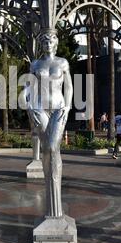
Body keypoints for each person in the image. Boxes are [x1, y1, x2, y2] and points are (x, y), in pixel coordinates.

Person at [26, 29, 73, 217]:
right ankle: (51, 195)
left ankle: (55, 195)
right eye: (44, 42)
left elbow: (68, 86)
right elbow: (29, 87)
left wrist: (68, 107)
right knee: (47, 149)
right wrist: (29, 106)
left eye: (50, 41)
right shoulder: (35, 64)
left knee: (53, 147)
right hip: (40, 108)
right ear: (41, 45)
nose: (47, 44)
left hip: (59, 108)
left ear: (55, 44)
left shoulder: (62, 62)